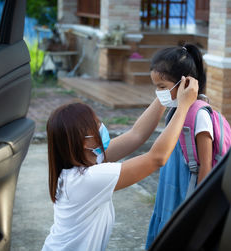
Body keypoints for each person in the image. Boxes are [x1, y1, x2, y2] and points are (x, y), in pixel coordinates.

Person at [42, 76, 198, 251]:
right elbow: (156, 158)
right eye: (96, 124)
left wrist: (165, 93)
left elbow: (136, 135)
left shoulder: (81, 164)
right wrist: (183, 107)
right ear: (84, 142)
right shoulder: (89, 178)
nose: (102, 126)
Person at [146, 44, 213, 248]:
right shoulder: (175, 112)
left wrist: (196, 209)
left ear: (185, 84)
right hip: (170, 191)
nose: (159, 93)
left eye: (163, 87)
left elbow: (206, 166)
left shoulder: (200, 116)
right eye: (156, 87)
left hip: (186, 195)